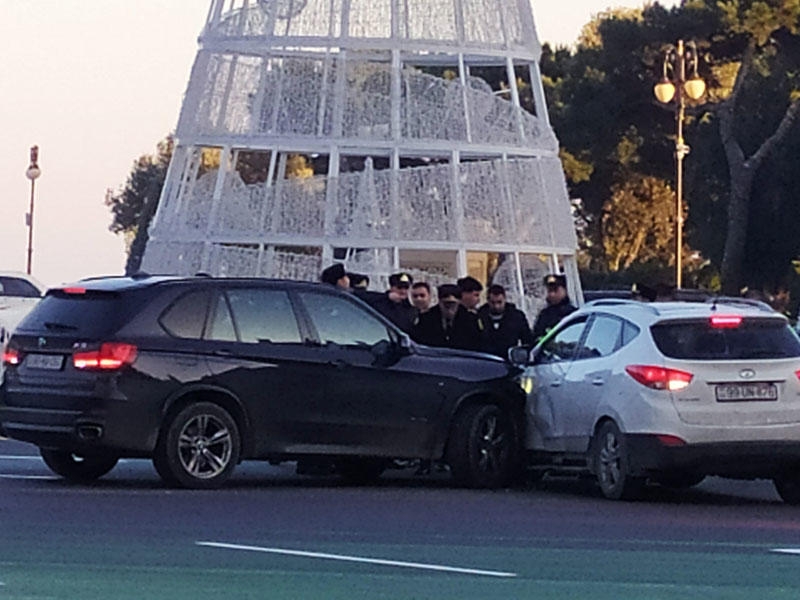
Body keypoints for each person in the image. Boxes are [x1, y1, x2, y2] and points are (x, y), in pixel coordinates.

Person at [412, 284, 483, 351]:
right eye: (446, 304)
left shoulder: (471, 320)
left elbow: (477, 343)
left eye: (453, 304)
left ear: (459, 302)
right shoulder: (426, 319)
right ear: (439, 302)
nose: (449, 308)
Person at [477, 284, 535, 358]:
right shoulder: (480, 316)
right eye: (493, 303)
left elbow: (527, 339)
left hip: (509, 360)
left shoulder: (516, 317)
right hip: (486, 359)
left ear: (505, 299)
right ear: (488, 300)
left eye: (499, 302)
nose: (496, 306)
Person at [532, 274, 577, 341]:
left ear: (565, 290)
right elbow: (537, 338)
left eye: (555, 290)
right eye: (549, 290)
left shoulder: (574, 314)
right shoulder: (544, 315)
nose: (552, 294)